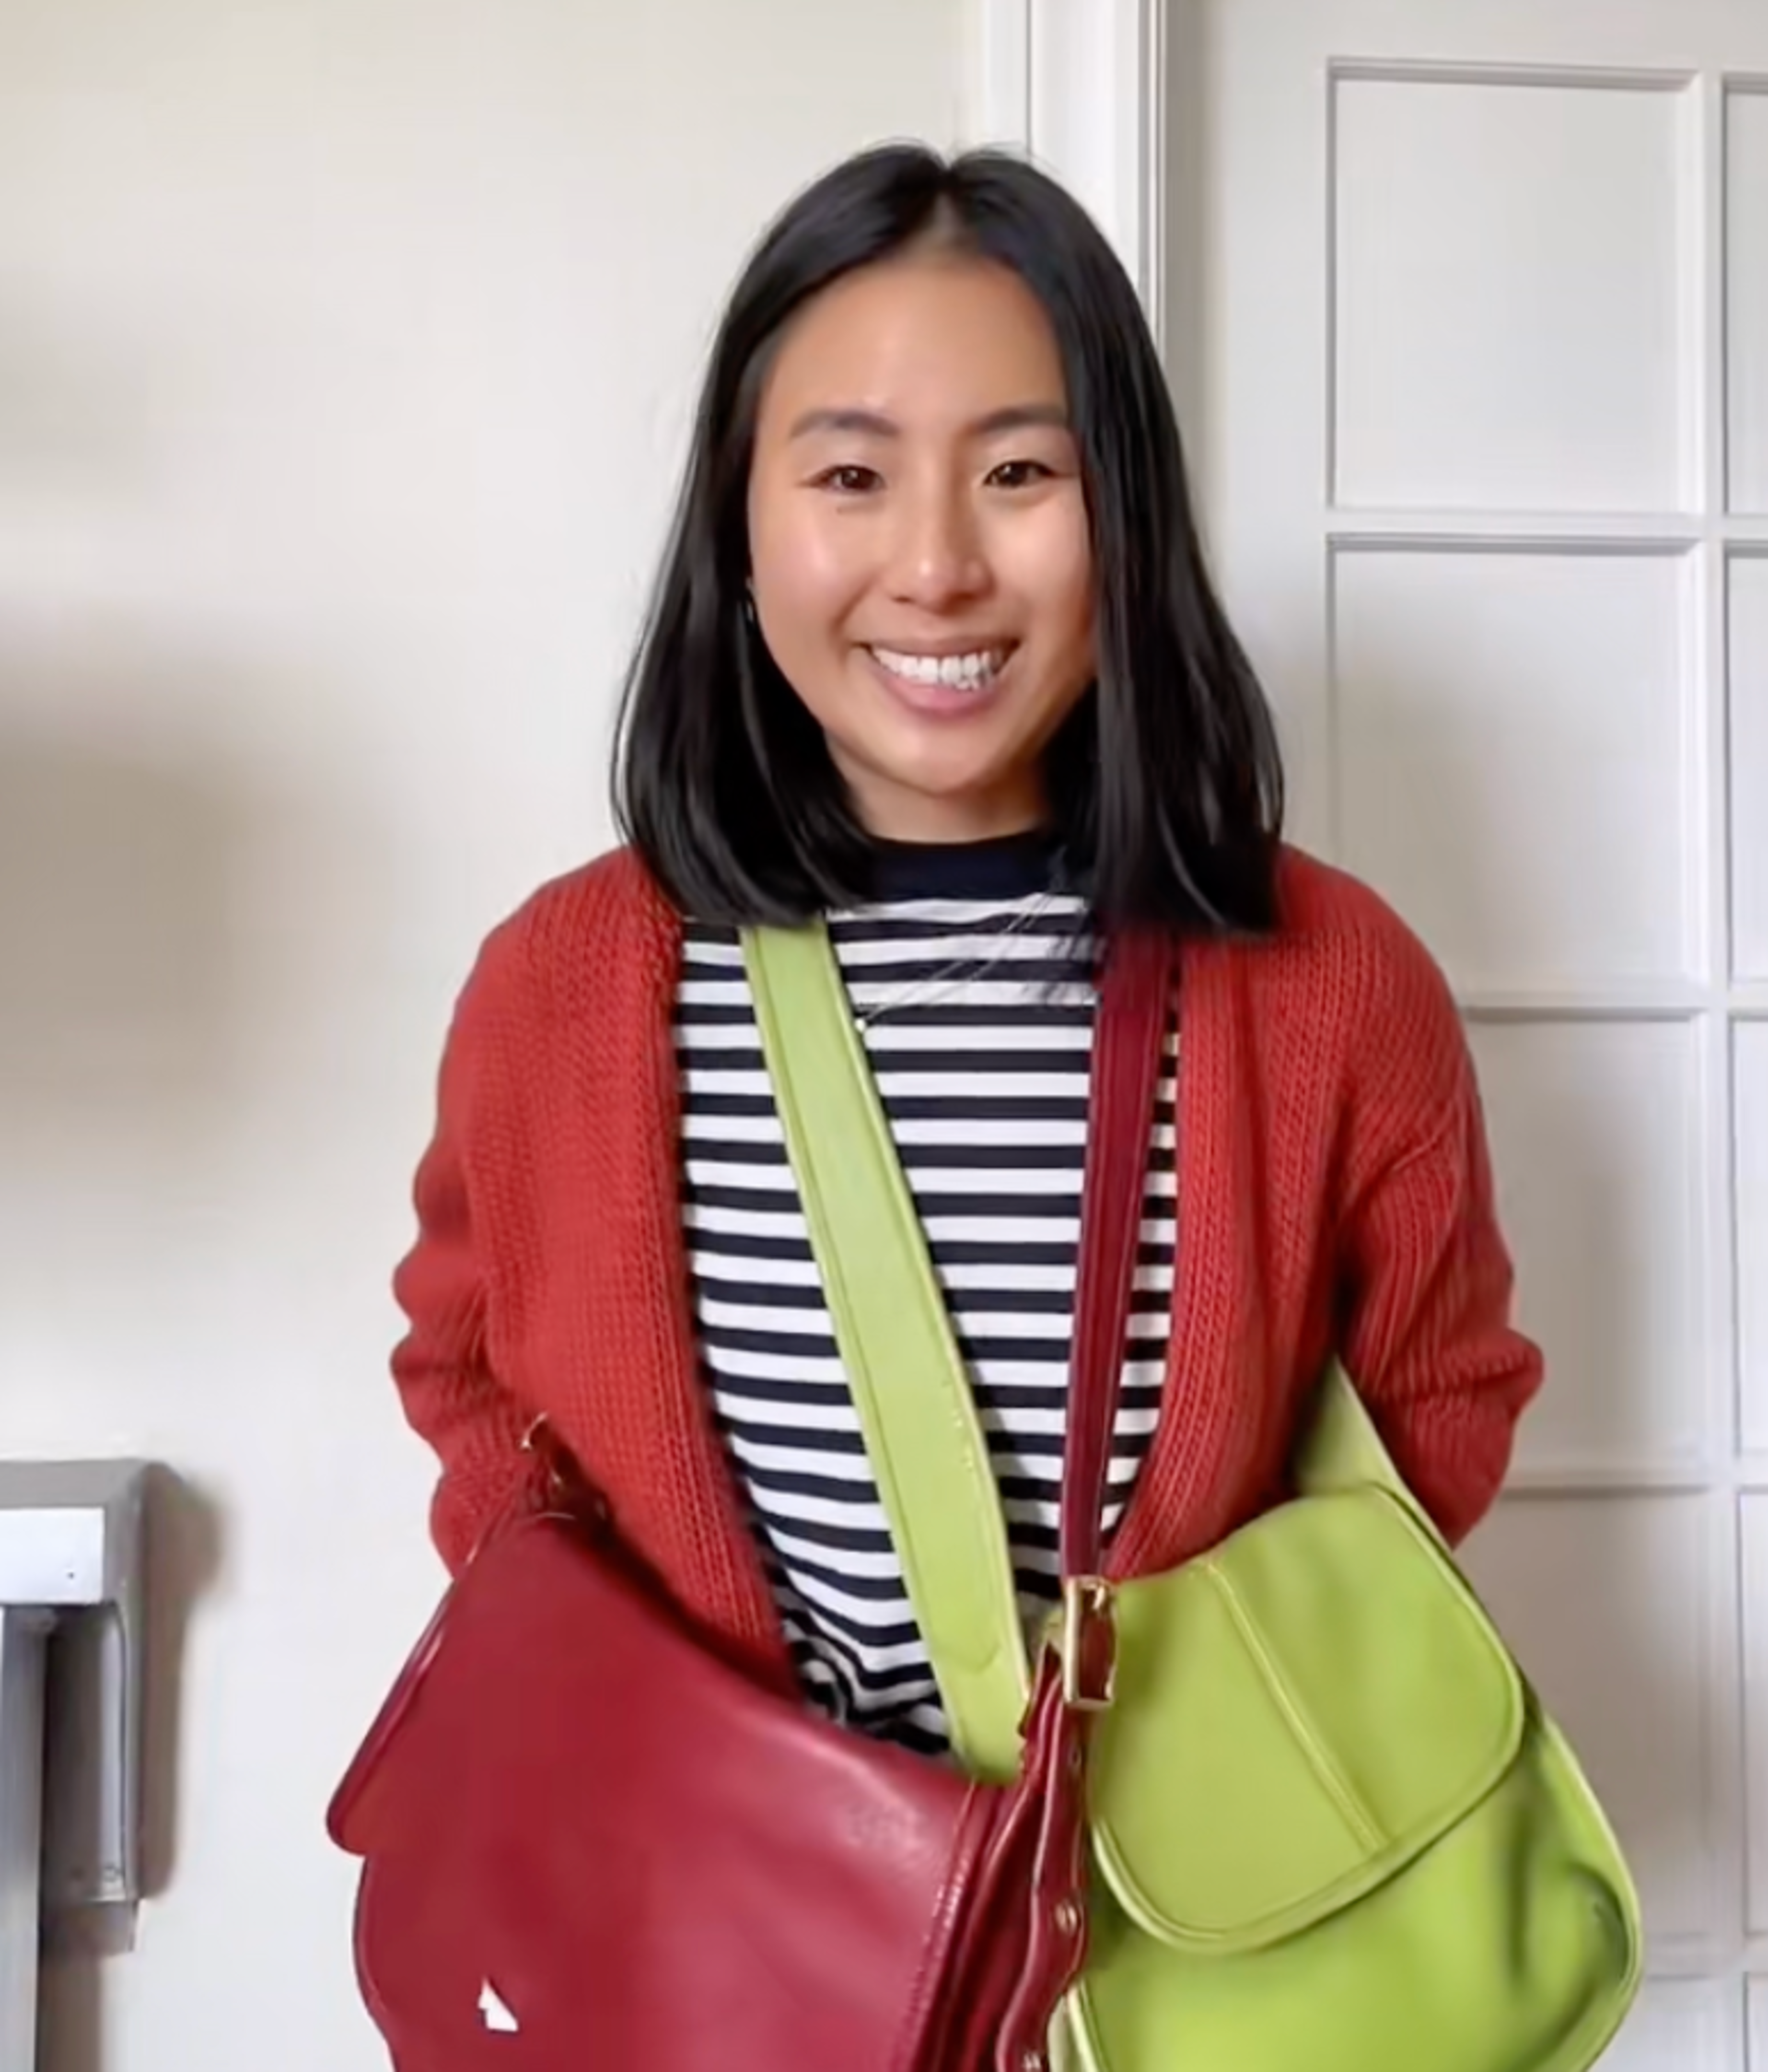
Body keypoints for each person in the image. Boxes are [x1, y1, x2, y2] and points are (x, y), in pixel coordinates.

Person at [387, 142, 1541, 1761]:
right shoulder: (558, 989)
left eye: (1019, 474)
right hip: (718, 1950)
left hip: (1167, 1962)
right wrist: (641, 1728)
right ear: (739, 523)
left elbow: (1438, 1394)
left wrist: (1213, 1752)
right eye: (850, 477)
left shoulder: (1333, 985)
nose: (937, 566)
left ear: (1124, 521)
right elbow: (466, 1370)